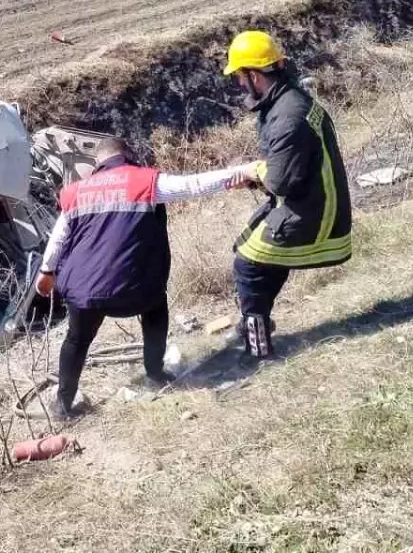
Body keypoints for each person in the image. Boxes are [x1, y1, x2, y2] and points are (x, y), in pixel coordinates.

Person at [34, 140, 257, 417]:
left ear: (97, 163)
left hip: (84, 292)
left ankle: (62, 404)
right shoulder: (144, 180)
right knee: (156, 309)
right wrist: (242, 172)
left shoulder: (76, 192)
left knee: (76, 340)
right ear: (128, 156)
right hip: (135, 292)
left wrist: (46, 273)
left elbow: (58, 237)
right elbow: (193, 185)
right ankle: (155, 372)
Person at [222, 31, 353, 358]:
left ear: (254, 75)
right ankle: (254, 321)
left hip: (314, 213)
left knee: (248, 267)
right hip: (309, 201)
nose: (239, 85)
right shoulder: (286, 100)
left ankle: (258, 349)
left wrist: (255, 172)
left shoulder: (288, 116)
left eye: (240, 77)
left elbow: (280, 181)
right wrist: (259, 174)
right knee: (255, 252)